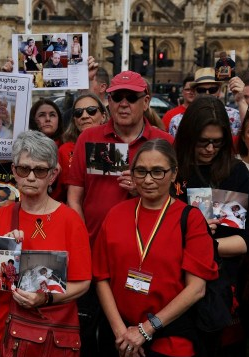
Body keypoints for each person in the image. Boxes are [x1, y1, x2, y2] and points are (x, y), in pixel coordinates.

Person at [0, 130, 91, 357]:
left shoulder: (71, 220)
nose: (32, 177)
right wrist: (2, 250)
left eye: (40, 169)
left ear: (53, 174)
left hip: (50, 337)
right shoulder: (1, 215)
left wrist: (43, 298)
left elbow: (83, 283)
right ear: (14, 170)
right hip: (2, 333)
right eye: (24, 169)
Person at [93, 138, 218, 357]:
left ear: (173, 173)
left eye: (158, 171)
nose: (148, 180)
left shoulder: (191, 219)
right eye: (141, 171)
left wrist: (145, 331)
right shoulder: (116, 214)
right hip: (124, 337)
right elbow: (102, 277)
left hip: (170, 339)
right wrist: (122, 334)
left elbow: (196, 289)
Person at [173, 96, 249, 357]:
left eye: (217, 143)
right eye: (202, 142)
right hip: (170, 284)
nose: (210, 149)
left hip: (216, 290)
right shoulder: (170, 169)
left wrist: (203, 244)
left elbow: (247, 240)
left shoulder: (234, 172)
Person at [67, 70, 173, 244]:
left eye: (131, 97)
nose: (123, 104)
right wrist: (81, 237)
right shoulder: (88, 138)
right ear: (109, 101)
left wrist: (142, 189)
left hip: (146, 246)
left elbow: (175, 199)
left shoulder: (164, 142)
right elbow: (74, 197)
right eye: (117, 97)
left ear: (145, 102)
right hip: (94, 245)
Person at [56, 94, 107, 202]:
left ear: (103, 116)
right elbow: (58, 195)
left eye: (91, 110)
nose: (84, 116)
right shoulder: (64, 150)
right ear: (75, 120)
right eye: (78, 113)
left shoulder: (115, 146)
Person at [168, 67, 243, 137]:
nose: (207, 94)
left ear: (219, 90)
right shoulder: (178, 121)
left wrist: (241, 100)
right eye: (201, 90)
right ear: (194, 92)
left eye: (212, 90)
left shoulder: (235, 116)